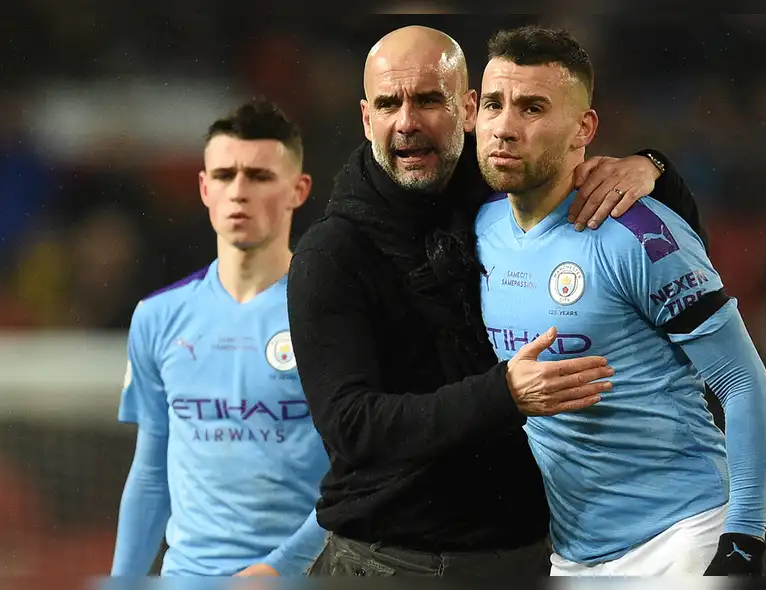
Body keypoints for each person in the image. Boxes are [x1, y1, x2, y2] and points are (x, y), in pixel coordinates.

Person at [288, 25, 711, 578]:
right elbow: (352, 426)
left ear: (467, 109)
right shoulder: (332, 254)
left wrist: (652, 169)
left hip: (534, 555)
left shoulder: (505, 191)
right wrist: (502, 394)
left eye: (428, 99)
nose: (407, 121)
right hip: (392, 560)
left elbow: (670, 247)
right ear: (367, 119)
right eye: (389, 104)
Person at [474, 25, 766, 576]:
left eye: (533, 108)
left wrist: (742, 542)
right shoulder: (479, 229)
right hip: (573, 556)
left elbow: (744, 385)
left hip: (682, 540)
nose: (505, 127)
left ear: (584, 128)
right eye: (493, 105)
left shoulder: (637, 233)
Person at [111, 98, 329, 577]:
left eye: (259, 176)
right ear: (204, 188)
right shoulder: (158, 317)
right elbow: (151, 475)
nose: (239, 192)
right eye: (225, 175)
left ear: (298, 190)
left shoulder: (332, 318)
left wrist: (280, 570)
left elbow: (360, 477)